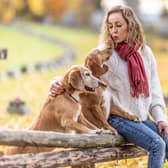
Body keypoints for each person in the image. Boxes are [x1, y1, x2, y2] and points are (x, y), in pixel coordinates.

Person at [49, 5, 168, 168]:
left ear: (130, 25)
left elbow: (154, 91)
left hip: (141, 117)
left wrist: (161, 118)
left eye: (118, 25)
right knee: (157, 145)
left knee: (166, 140)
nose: (114, 31)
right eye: (110, 26)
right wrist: (56, 81)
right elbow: (79, 73)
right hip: (116, 118)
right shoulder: (104, 54)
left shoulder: (145, 53)